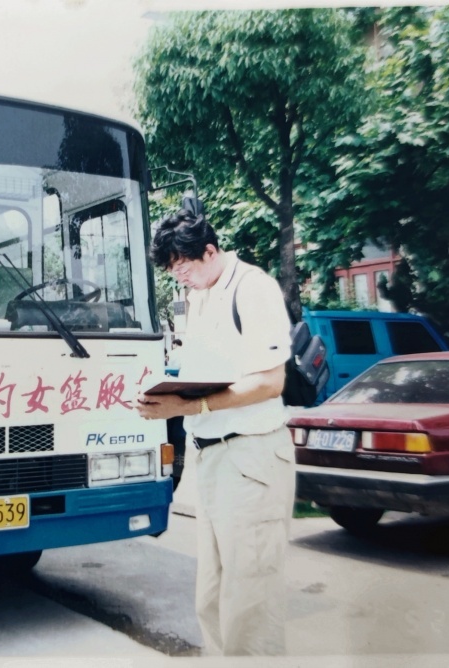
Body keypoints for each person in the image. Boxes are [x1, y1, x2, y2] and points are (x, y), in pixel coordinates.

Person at [135, 207, 296, 656]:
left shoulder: (253, 288)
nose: (179, 276)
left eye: (183, 266)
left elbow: (270, 382)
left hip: (250, 458)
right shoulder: (199, 296)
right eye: (172, 270)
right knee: (211, 596)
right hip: (209, 456)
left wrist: (188, 405)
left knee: (250, 599)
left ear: (210, 251)